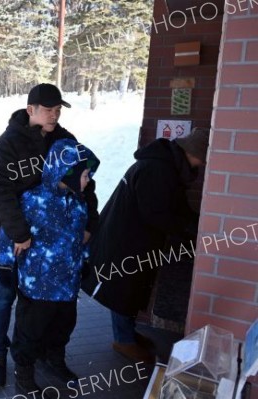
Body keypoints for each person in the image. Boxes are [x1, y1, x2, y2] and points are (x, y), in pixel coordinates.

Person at [0, 83, 99, 387]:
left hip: (60, 242)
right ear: (30, 110)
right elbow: (0, 190)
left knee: (54, 309)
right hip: (20, 236)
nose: (54, 114)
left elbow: (87, 185)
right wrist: (19, 234)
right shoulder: (10, 143)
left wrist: (90, 225)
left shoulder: (64, 139)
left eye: (58, 109)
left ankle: (51, 357)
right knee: (7, 295)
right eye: (48, 109)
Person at [82, 127, 210, 364]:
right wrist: (189, 230)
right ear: (195, 152)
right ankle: (123, 339)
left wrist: (196, 225)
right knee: (122, 289)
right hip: (125, 239)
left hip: (132, 237)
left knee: (130, 288)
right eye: (203, 159)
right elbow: (156, 213)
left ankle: (127, 333)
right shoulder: (158, 169)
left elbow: (174, 206)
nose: (201, 166)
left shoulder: (166, 166)